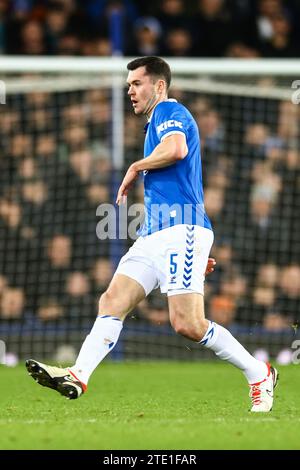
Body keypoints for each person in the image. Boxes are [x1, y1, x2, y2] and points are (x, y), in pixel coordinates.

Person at [26, 56, 278, 412]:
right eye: (128, 84)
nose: (129, 90)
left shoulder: (168, 110)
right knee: (112, 301)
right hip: (154, 234)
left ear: (159, 85)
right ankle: (79, 374)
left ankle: (259, 373)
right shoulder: (155, 123)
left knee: (187, 324)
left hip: (181, 229)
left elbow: (177, 149)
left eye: (136, 83)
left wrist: (135, 165)